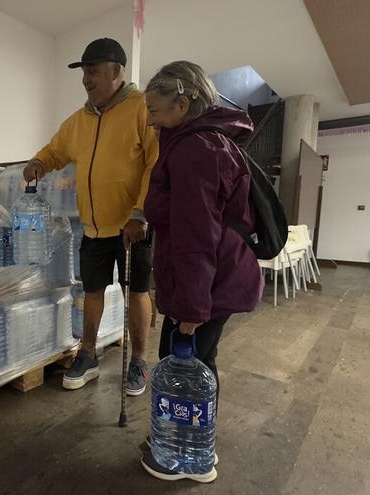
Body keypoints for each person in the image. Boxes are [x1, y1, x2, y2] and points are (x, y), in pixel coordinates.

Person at [140, 61, 263, 481]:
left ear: (182, 103)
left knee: (190, 367)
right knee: (194, 363)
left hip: (206, 283)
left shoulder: (197, 150)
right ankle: (183, 443)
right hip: (206, 279)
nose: (150, 122)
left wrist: (192, 307)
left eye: (155, 112)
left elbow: (196, 234)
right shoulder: (197, 142)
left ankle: (188, 457)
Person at [23, 38, 158, 395]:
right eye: (84, 73)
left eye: (93, 71)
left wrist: (141, 213)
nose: (86, 80)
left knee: (138, 292)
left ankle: (139, 361)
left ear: (116, 71)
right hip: (94, 227)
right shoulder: (78, 121)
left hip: (132, 226)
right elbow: (55, 151)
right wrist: (39, 162)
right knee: (92, 291)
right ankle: (88, 354)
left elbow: (154, 164)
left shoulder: (142, 108)